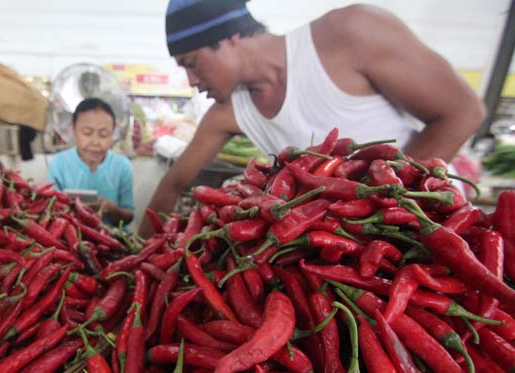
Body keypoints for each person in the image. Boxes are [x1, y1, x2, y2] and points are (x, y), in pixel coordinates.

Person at [140, 1, 485, 236]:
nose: (191, 82)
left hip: (433, 222)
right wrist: (142, 254)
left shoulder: (349, 33)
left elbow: (462, 112)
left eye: (191, 63)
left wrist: (382, 203)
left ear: (228, 38)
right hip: (350, 243)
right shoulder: (229, 112)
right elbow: (174, 184)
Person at [48, 98, 135, 227]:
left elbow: (129, 216)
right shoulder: (58, 164)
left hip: (113, 238)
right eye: (87, 133)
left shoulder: (122, 166)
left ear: (113, 132)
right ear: (74, 129)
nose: (95, 142)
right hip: (70, 236)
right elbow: (51, 210)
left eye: (104, 134)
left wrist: (113, 210)